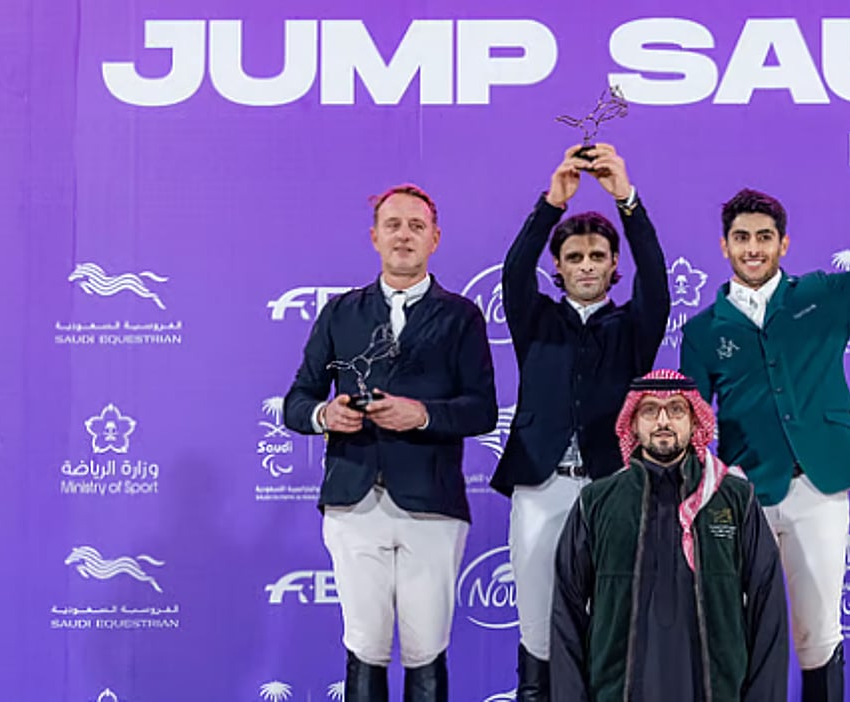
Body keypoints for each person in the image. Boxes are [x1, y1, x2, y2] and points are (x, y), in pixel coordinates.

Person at [679, 132, 850, 701]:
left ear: (783, 243)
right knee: (743, 636)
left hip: (819, 488)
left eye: (764, 237)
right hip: (744, 495)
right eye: (741, 238)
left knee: (817, 633)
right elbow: (693, 424)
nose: (753, 248)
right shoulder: (703, 331)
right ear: (724, 246)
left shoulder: (824, 296)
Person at [283, 183, 498, 702]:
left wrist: (422, 415)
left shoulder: (462, 316)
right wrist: (325, 415)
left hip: (433, 504)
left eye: (416, 226)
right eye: (393, 225)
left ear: (435, 239)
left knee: (427, 649)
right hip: (353, 502)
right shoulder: (340, 313)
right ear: (374, 237)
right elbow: (296, 401)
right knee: (364, 645)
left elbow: (483, 410)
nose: (404, 235)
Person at [490, 143, 670, 700]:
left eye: (597, 255)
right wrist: (552, 203)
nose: (586, 264)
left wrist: (626, 199)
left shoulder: (634, 328)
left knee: (612, 623)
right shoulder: (535, 320)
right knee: (537, 625)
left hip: (612, 486)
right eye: (574, 256)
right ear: (559, 268)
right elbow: (514, 270)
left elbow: (656, 277)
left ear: (615, 265)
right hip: (539, 486)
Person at [551, 369, 788, 702]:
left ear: (694, 422)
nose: (663, 421)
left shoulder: (734, 498)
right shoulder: (597, 502)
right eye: (650, 410)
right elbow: (567, 610)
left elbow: (768, 607)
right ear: (633, 424)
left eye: (676, 410)